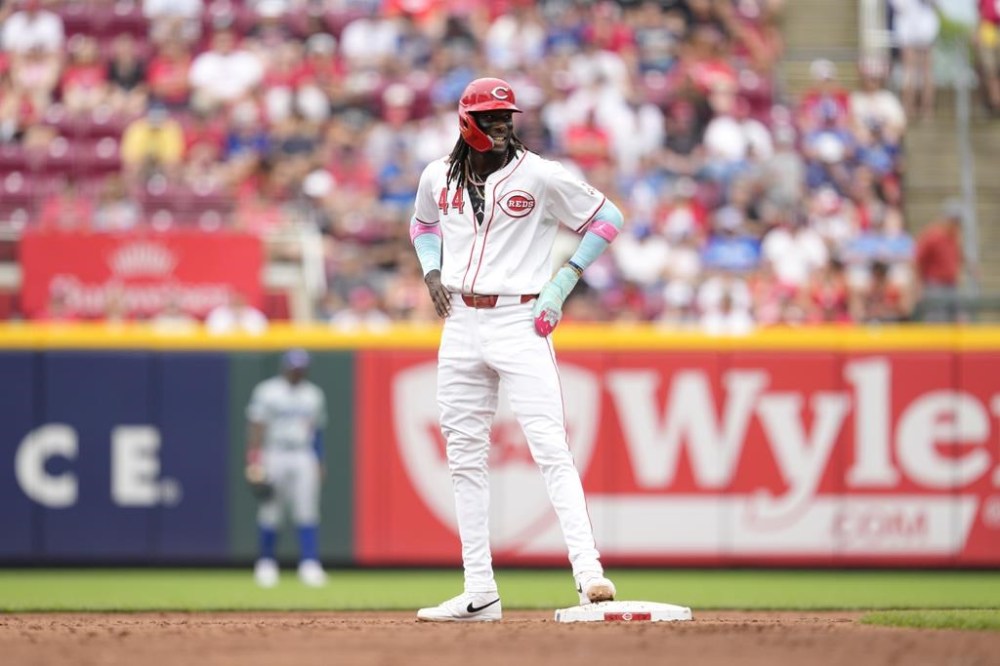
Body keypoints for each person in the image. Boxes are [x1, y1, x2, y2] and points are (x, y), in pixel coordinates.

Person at [408, 77, 621, 622]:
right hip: (459, 318)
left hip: (517, 317)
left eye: (507, 118)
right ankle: (479, 589)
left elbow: (607, 218)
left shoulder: (542, 174)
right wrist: (431, 271)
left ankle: (588, 574)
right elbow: (423, 223)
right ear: (467, 122)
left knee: (550, 446)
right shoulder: (438, 174)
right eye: (491, 119)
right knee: (463, 458)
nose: (503, 127)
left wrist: (561, 283)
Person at [245, 349, 329, 588]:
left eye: (301, 367)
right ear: (285, 366)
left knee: (307, 509)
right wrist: (254, 460)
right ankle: (266, 564)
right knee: (271, 510)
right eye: (294, 366)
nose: (298, 371)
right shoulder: (267, 391)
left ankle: (310, 565)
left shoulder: (313, 394)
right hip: (275, 452)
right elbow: (256, 426)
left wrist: (320, 460)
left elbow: (317, 431)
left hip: (303, 453)